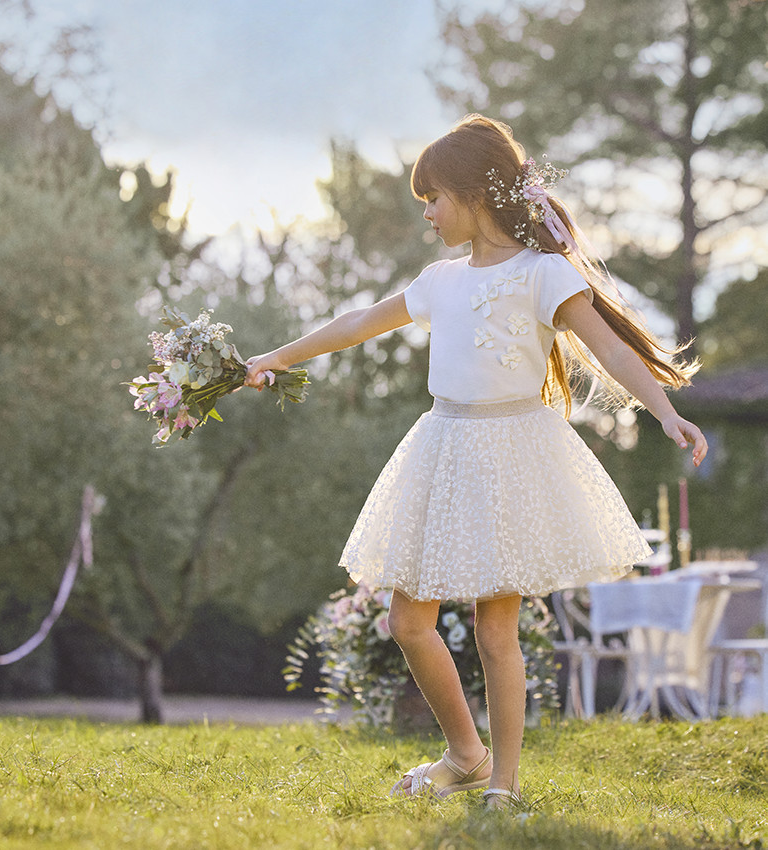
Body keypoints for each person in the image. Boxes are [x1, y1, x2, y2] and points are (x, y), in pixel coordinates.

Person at [244, 114, 708, 808]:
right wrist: (277, 356)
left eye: (434, 198)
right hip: (443, 446)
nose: (427, 213)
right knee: (408, 621)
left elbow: (607, 348)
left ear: (474, 195)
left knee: (497, 630)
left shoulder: (544, 273)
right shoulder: (440, 280)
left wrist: (665, 411)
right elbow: (358, 322)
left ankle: (504, 785)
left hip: (513, 452)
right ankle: (465, 751)